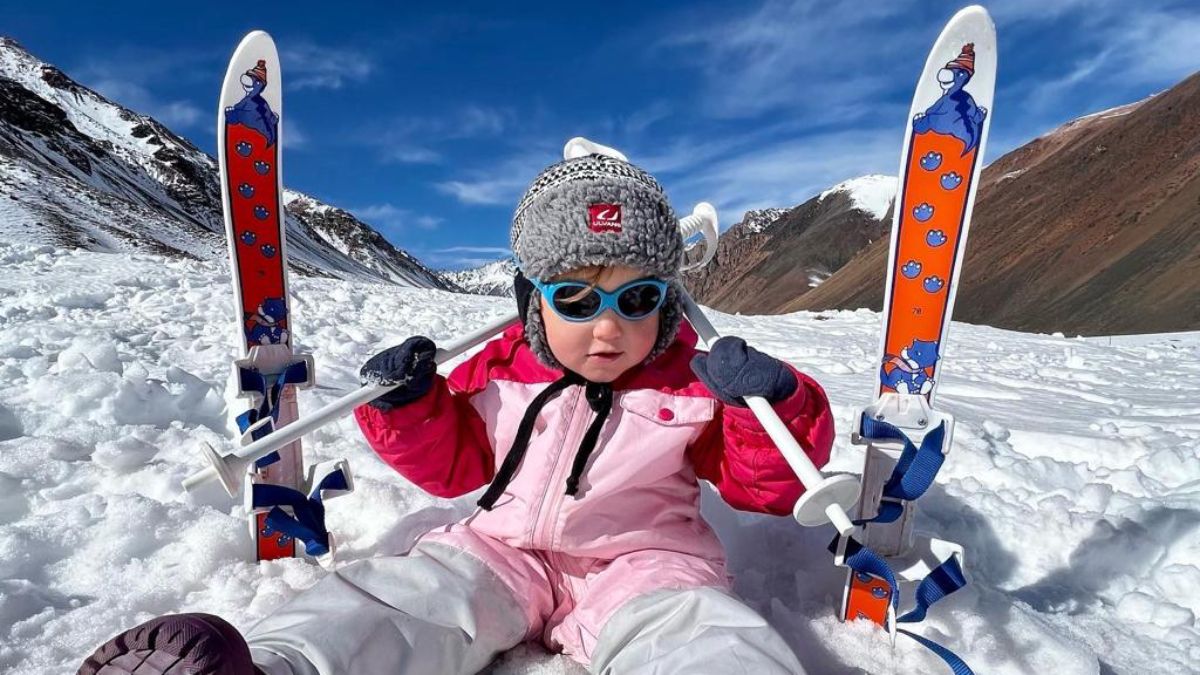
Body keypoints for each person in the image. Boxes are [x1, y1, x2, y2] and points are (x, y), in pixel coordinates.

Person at [78, 142, 835, 675]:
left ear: (668, 304)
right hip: (502, 548)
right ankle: (276, 664)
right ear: (530, 302)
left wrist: (770, 405)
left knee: (699, 631)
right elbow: (456, 467)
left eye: (637, 299)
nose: (609, 325)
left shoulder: (689, 379)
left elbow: (760, 484)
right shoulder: (500, 365)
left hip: (644, 561)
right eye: (577, 298)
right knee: (405, 597)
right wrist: (411, 406)